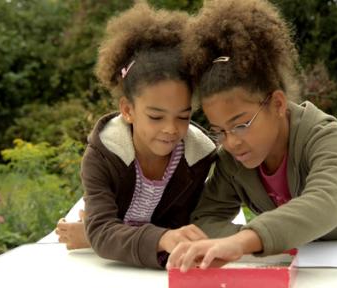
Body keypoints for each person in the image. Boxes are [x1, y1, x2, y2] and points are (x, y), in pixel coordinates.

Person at [166, 0, 337, 272]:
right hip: (319, 266)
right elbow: (206, 219)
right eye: (219, 130)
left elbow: (325, 202)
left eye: (241, 124)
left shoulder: (323, 136)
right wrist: (257, 239)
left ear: (277, 104)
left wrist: (245, 241)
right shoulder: (232, 161)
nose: (231, 142)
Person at [55, 3, 217, 269]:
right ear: (128, 110)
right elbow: (104, 230)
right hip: (91, 238)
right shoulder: (102, 155)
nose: (171, 129)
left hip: (120, 245)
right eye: (156, 116)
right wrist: (97, 236)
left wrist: (95, 237)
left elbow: (183, 226)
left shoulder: (198, 157)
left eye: (183, 116)